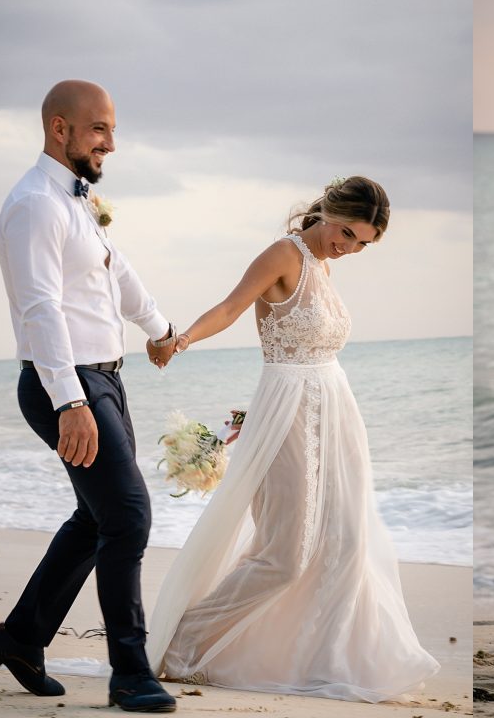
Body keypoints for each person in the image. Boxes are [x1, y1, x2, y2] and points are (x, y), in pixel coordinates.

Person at [145, 176, 440, 702]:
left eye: (361, 244)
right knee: (284, 553)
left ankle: (325, 658)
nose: (348, 248)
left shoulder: (324, 266)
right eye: (347, 233)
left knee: (347, 541)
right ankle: (182, 642)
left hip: (336, 412)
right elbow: (231, 307)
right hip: (287, 410)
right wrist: (182, 339)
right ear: (328, 211)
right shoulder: (284, 255)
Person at [0, 80, 178, 712]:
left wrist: (159, 329)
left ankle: (20, 638)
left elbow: (114, 271)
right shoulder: (35, 203)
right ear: (60, 129)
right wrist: (71, 402)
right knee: (128, 516)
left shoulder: (77, 200)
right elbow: (40, 309)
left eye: (113, 130)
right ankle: (130, 672)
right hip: (64, 382)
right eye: (100, 130)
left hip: (105, 379)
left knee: (98, 518)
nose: (111, 144)